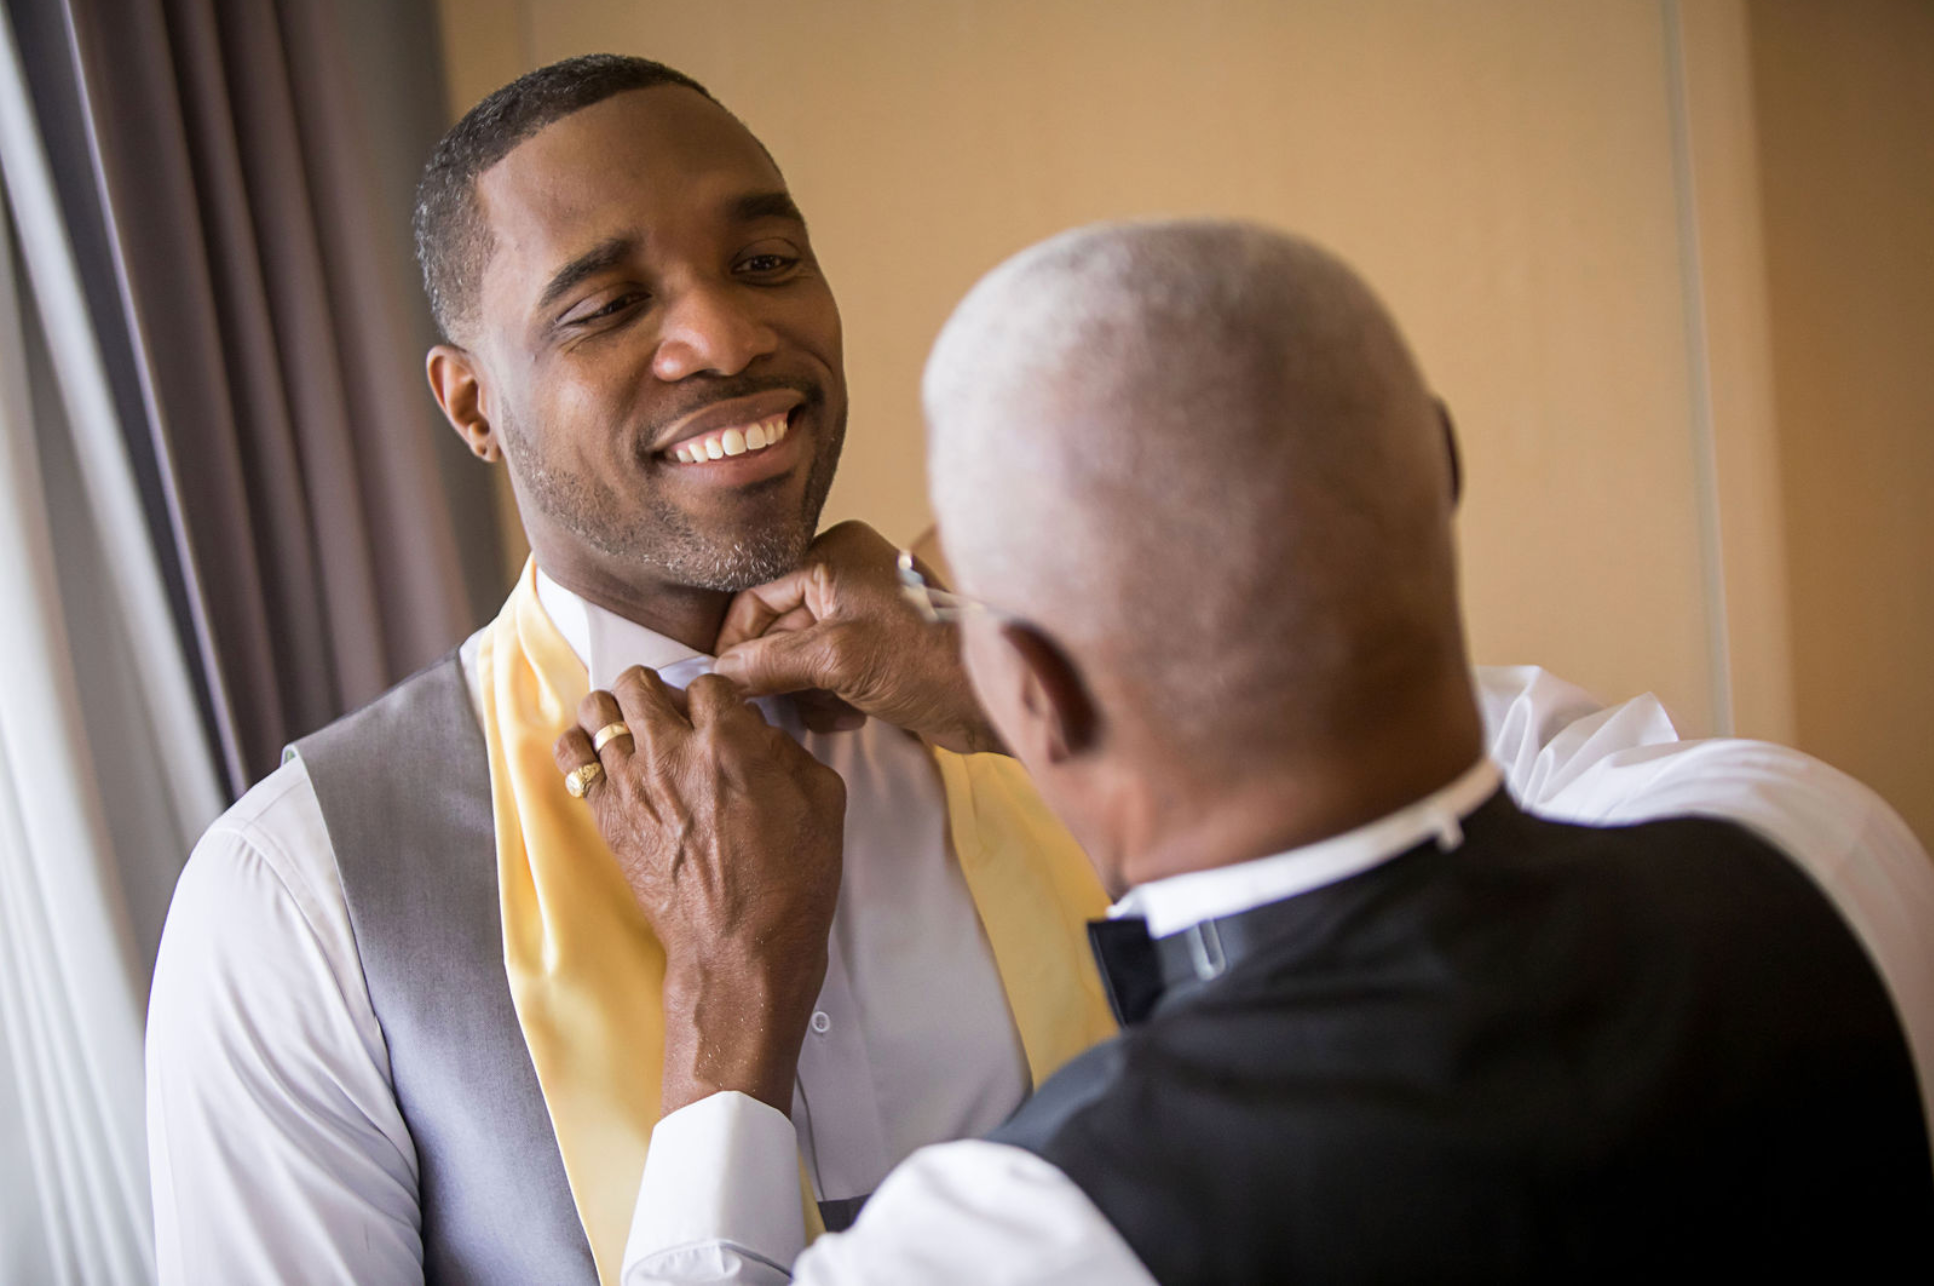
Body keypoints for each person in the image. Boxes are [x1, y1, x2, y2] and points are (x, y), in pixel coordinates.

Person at [147, 52, 1934, 1285]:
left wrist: (990, 682)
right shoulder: (293, 899)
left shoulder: (1055, 1181)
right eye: (607, 303)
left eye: (767, 258)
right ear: (470, 401)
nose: (725, 331)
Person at [588, 220, 1934, 1283]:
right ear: (1438, 468)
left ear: (1037, 694)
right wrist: (1025, 665)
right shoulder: (1825, 855)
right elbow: (1532, 748)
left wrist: (724, 1000)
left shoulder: (1041, 1230)